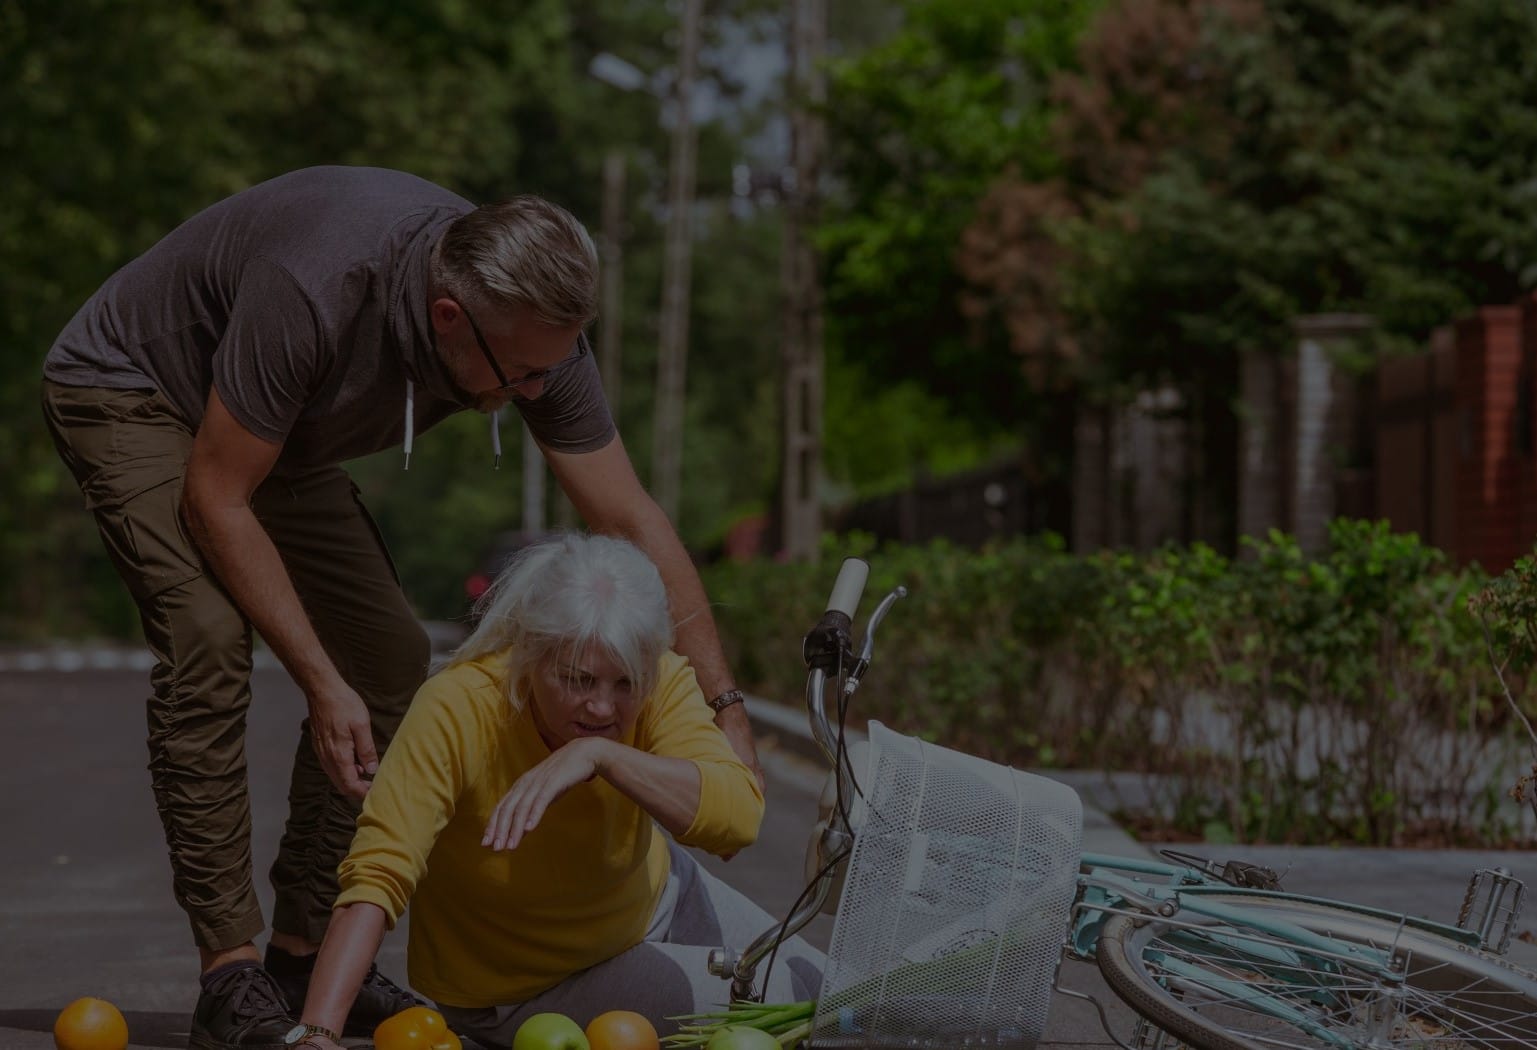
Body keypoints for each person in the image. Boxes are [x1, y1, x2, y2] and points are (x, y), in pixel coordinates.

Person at [39, 166, 763, 1049]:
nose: (537, 392)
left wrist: (725, 705)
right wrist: (316, 679)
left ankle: (300, 956)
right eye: (522, 374)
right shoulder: (316, 287)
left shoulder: (537, 332)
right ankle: (230, 972)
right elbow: (217, 497)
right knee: (209, 639)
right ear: (448, 319)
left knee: (386, 655)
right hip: (134, 389)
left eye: (552, 369)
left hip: (275, 432)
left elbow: (626, 515)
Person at [282, 533, 822, 1050]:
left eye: (624, 684)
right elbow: (377, 875)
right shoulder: (458, 706)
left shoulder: (657, 676)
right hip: (528, 987)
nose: (603, 708)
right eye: (578, 680)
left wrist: (600, 756)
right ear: (530, 653)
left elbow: (737, 818)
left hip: (659, 898)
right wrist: (317, 1033)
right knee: (808, 1011)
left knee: (845, 992)